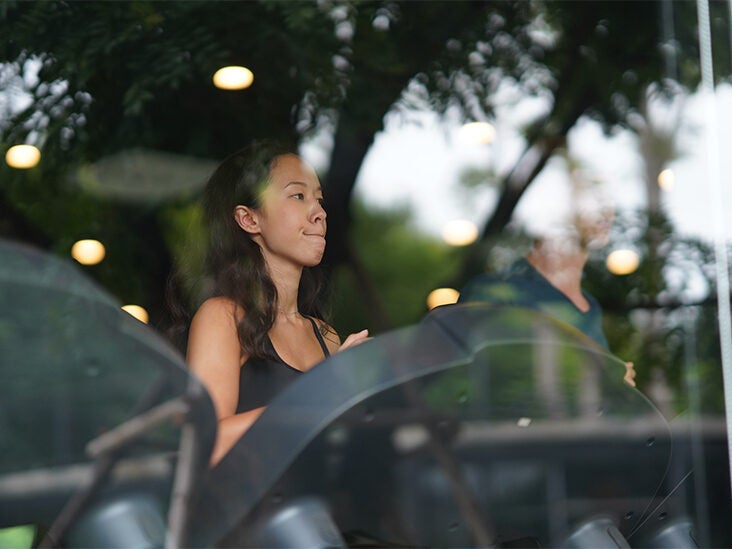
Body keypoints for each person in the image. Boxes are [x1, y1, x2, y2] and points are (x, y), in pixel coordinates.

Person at [186, 140, 369, 466]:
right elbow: (206, 444)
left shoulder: (326, 336)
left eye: (319, 199)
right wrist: (317, 393)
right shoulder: (223, 317)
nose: (320, 213)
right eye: (298, 196)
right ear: (249, 219)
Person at [458, 181, 636, 388]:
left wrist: (617, 376)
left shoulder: (590, 307)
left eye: (606, 210)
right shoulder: (497, 291)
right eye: (591, 207)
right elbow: (478, 366)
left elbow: (594, 380)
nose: (604, 216)